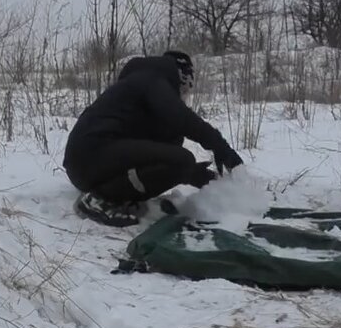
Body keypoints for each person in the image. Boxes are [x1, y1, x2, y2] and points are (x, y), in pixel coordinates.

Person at [62, 50, 244, 227]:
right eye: (187, 87)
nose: (186, 94)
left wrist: (193, 174)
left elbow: (158, 152)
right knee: (183, 159)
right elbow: (181, 118)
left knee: (181, 160)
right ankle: (99, 199)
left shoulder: (141, 88)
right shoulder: (151, 79)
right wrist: (221, 148)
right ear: (181, 76)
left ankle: (106, 193)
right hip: (90, 157)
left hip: (88, 165)